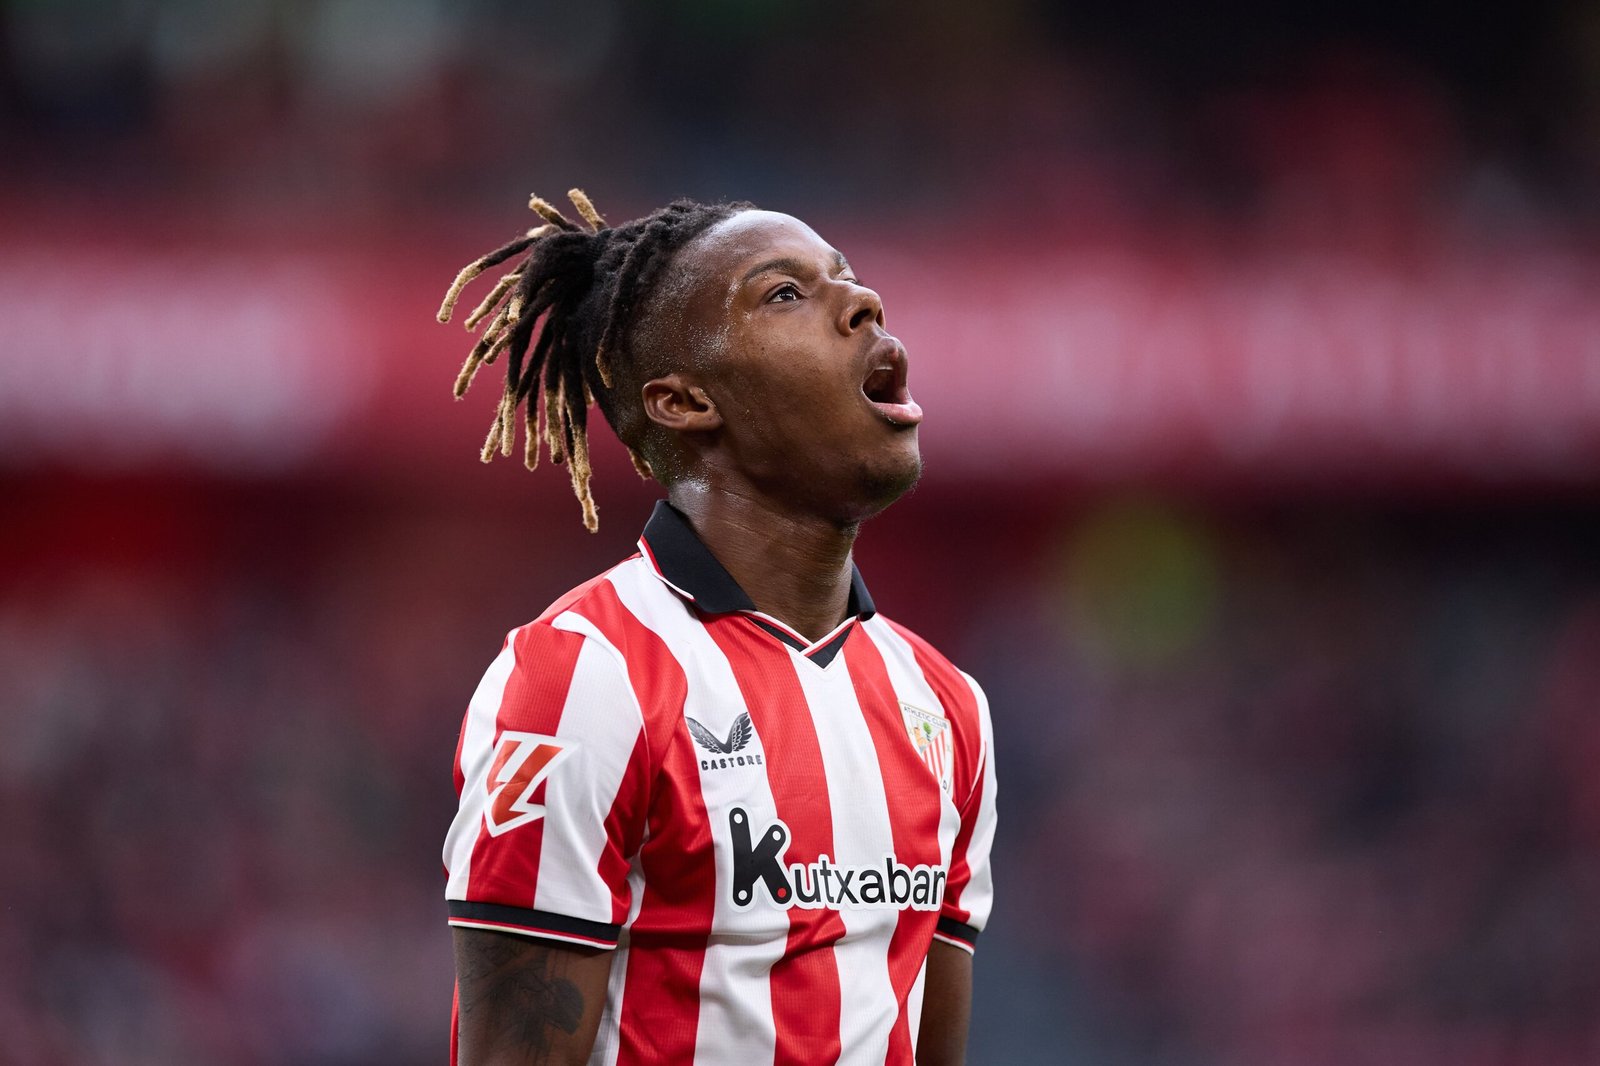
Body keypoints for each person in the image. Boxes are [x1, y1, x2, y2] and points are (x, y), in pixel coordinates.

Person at [438, 189, 997, 1065]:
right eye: (787, 293)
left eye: (848, 277)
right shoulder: (582, 680)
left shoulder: (947, 708)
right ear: (685, 401)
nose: (863, 303)